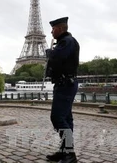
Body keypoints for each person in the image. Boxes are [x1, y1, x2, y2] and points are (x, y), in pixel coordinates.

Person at [45, 17, 80, 163]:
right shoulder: (65, 42)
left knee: (57, 117)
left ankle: (70, 154)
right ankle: (65, 151)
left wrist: (49, 52)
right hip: (65, 83)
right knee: (66, 118)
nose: (51, 31)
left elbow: (58, 57)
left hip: (65, 84)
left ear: (60, 28)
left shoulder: (67, 42)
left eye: (53, 29)